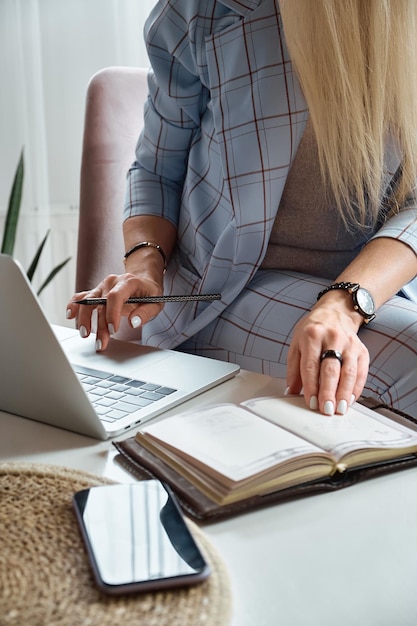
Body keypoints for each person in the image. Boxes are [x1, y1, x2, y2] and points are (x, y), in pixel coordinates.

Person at [67, 0, 417, 419]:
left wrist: (344, 304)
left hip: (363, 292)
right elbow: (156, 168)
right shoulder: (203, 8)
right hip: (220, 294)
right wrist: (145, 268)